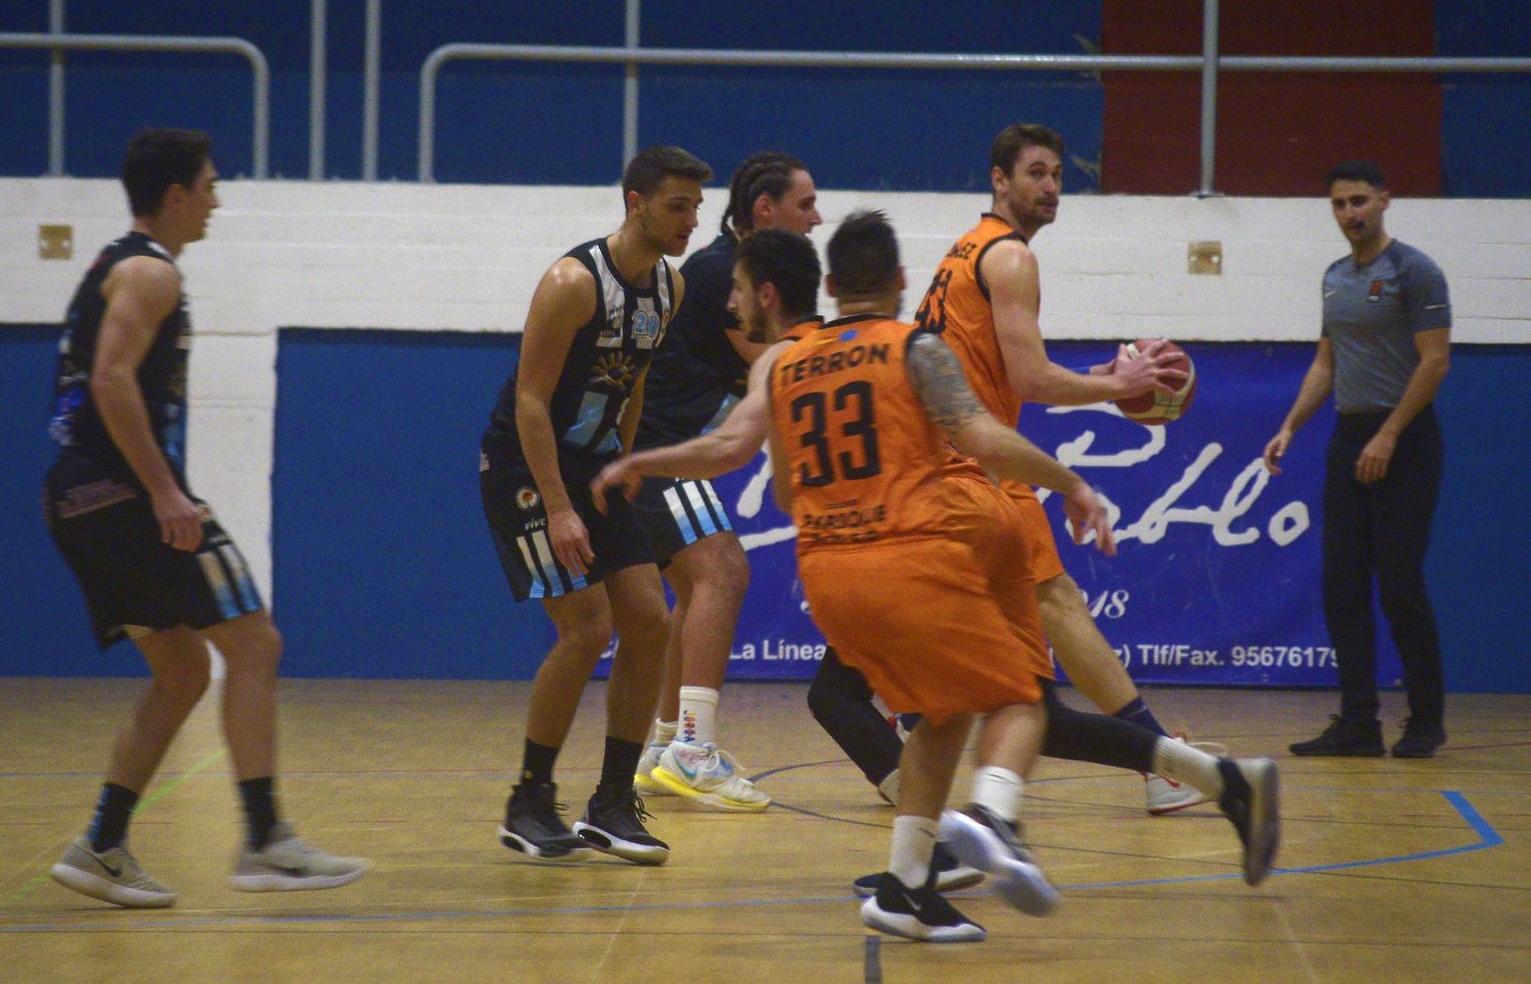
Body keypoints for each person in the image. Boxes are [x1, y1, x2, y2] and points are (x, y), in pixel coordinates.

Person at [596, 225, 1281, 906]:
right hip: (944, 525)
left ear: (804, 289)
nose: (730, 303)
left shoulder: (794, 361)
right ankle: (1210, 781)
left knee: (1000, 703)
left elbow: (751, 457)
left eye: (739, 291)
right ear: (899, 282)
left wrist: (642, 461)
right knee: (959, 707)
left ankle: (979, 831)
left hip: (939, 528)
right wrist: (1074, 479)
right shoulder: (896, 345)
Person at [43, 128, 367, 909]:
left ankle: (101, 844)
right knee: (255, 640)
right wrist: (164, 491)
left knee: (186, 668)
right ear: (176, 193)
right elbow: (111, 380)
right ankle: (265, 840)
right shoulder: (150, 271)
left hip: (79, 497)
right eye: (210, 185)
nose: (216, 200)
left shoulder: (120, 263)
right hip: (120, 494)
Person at [915, 122, 1214, 814]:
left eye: (1057, 174)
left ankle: (921, 744)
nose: (1050, 186)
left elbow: (1011, 369)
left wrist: (1106, 374)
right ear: (1000, 180)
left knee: (1021, 635)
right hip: (975, 462)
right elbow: (1031, 378)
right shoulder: (1010, 256)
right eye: (1035, 173)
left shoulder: (968, 248)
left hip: (942, 455)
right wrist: (1117, 384)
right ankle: (1160, 764)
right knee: (1056, 607)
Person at [480, 145, 711, 865]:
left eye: (696, 207)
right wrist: (559, 506)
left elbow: (632, 384)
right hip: (525, 464)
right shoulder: (572, 282)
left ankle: (611, 803)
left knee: (650, 620)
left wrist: (624, 462)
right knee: (586, 627)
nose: (691, 221)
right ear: (635, 203)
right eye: (678, 206)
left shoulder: (669, 288)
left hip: (594, 467)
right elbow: (530, 400)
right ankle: (529, 800)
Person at [627, 153, 822, 812]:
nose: (816, 218)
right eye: (805, 204)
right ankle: (693, 750)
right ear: (765, 210)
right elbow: (773, 358)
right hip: (659, 450)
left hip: (667, 450)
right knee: (724, 571)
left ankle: (665, 746)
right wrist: (861, 344)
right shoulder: (721, 271)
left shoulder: (737, 270)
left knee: (696, 587)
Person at [1266, 160, 1452, 759]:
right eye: (1339, 204)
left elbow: (1435, 362)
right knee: (1342, 585)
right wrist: (1290, 426)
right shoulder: (1335, 278)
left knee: (1399, 584)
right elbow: (1327, 363)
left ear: (1384, 201)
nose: (1349, 213)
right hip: (1350, 437)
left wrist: (1391, 433)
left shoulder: (1415, 271)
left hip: (1406, 439)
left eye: (1359, 201)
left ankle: (1425, 721)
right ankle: (1358, 724)